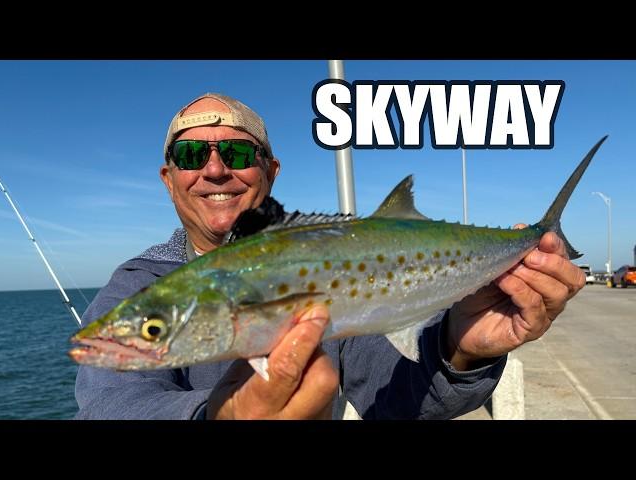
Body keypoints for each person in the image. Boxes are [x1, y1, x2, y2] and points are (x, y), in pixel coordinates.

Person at [74, 92, 586, 420]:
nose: (213, 170)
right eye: (190, 155)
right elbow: (111, 402)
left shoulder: (324, 252)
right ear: (169, 179)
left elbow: (395, 396)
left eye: (235, 154)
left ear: (269, 171)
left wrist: (461, 349)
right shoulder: (138, 285)